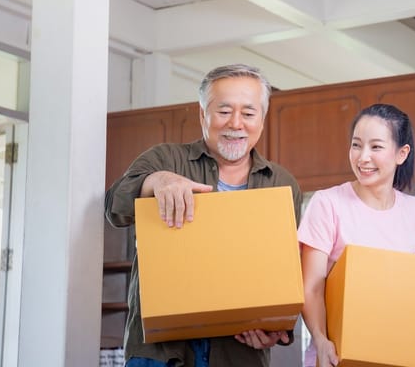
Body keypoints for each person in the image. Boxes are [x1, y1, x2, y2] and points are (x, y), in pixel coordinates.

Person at [105, 64, 303, 367]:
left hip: (240, 354)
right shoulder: (165, 159)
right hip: (161, 354)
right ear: (203, 115)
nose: (236, 123)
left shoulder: (282, 183)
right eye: (224, 111)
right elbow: (113, 209)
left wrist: (277, 331)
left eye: (248, 114)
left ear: (261, 119)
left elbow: (286, 271)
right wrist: (156, 181)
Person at [297, 103, 415, 367]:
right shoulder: (327, 203)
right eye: (356, 145)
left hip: (402, 353)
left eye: (376, 147)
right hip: (337, 354)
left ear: (402, 154)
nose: (363, 157)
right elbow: (312, 287)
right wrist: (320, 339)